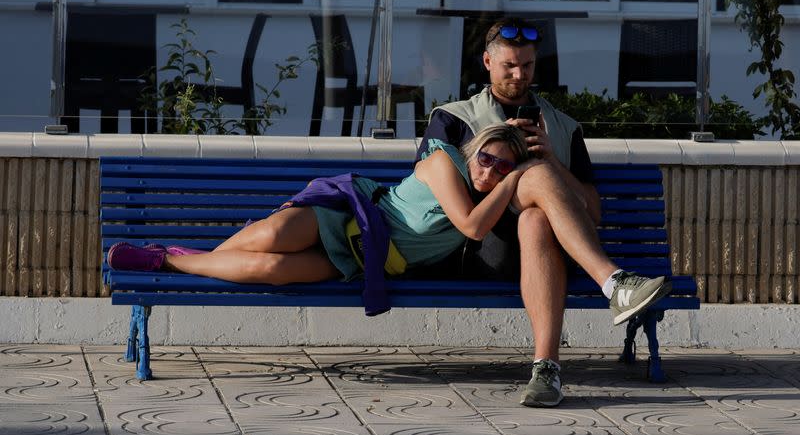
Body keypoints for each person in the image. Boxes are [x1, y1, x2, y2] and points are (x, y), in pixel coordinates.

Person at [416, 17, 672, 407]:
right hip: (481, 248)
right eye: (509, 66)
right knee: (530, 177)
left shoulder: (562, 127)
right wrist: (511, 171)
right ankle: (614, 283)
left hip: (553, 251)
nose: (520, 75)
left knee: (536, 218)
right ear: (487, 62)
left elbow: (593, 211)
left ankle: (546, 369)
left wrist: (552, 160)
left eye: (528, 66)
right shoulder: (453, 119)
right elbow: (429, 192)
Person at [107, 123, 535, 312]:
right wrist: (512, 181)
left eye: (502, 169)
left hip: (363, 259)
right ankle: (174, 258)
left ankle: (168, 258)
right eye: (488, 159)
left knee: (271, 268)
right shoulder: (444, 162)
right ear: (474, 149)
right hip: (351, 215)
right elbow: (472, 226)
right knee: (273, 233)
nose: (490, 172)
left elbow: (483, 222)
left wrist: (514, 180)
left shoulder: (491, 198)